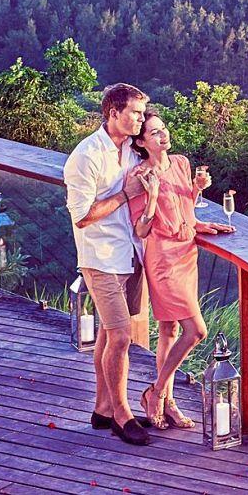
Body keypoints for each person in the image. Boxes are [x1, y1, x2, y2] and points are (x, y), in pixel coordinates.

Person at [125, 106, 234, 428]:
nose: (163, 134)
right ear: (141, 142)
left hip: (187, 253)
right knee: (197, 331)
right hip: (163, 258)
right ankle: (156, 393)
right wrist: (154, 194)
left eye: (163, 128)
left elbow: (184, 208)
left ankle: (168, 402)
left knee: (171, 330)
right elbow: (141, 230)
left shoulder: (181, 163)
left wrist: (199, 191)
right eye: (155, 132)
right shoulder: (139, 176)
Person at [63, 83, 152, 446]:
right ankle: (122, 413)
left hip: (131, 253)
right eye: (134, 113)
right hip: (99, 258)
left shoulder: (132, 151)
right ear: (113, 113)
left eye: (142, 113)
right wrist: (124, 195)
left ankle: (102, 409)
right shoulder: (85, 156)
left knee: (107, 332)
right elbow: (82, 216)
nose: (140, 119)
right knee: (121, 336)